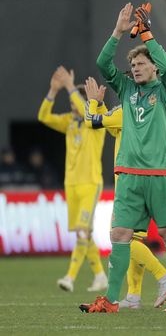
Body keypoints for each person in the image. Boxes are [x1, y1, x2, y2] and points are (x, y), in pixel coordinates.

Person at [80, 2, 166, 313]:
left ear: (153, 67)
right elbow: (102, 63)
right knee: (119, 234)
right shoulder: (127, 90)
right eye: (134, 64)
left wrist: (147, 34)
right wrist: (117, 32)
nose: (136, 67)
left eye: (142, 63)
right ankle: (111, 301)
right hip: (127, 173)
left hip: (160, 174)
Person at [83, 76, 166, 309]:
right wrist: (104, 106)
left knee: (120, 237)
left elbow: (91, 121)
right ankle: (133, 296)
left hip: (128, 182)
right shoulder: (139, 110)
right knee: (133, 239)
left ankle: (162, 275)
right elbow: (116, 130)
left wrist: (93, 103)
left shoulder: (128, 110)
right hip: (144, 178)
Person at [37, 66, 108, 293]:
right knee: (83, 232)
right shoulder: (69, 121)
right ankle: (100, 276)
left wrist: (70, 86)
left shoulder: (97, 122)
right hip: (72, 184)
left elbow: (83, 108)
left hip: (90, 183)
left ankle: (70, 277)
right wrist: (53, 91)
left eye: (77, 104)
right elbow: (43, 116)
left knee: (82, 231)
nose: (73, 108)